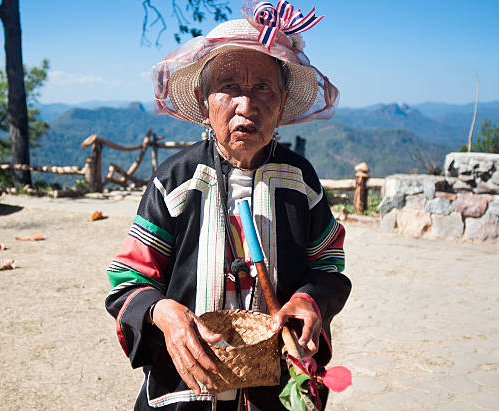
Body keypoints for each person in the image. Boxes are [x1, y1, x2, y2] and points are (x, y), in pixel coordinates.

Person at [105, 5, 350, 410]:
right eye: (229, 87)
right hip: (189, 388)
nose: (246, 105)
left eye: (263, 88)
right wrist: (163, 312)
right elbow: (129, 280)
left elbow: (327, 267)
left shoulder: (300, 181)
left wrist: (309, 299)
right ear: (204, 103)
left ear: (284, 102)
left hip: (276, 386)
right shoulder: (176, 181)